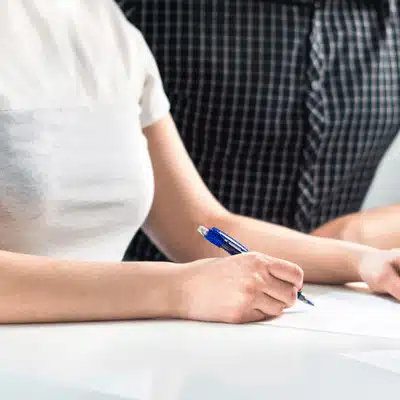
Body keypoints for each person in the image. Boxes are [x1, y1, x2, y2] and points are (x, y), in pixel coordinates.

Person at [1, 0, 399, 326]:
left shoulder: (109, 27)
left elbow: (200, 224)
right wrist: (177, 288)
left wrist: (364, 262)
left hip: (106, 363)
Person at [118, 0, 400, 258]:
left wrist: (352, 234)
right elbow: (191, 228)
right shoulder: (144, 11)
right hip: (158, 295)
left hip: (335, 297)